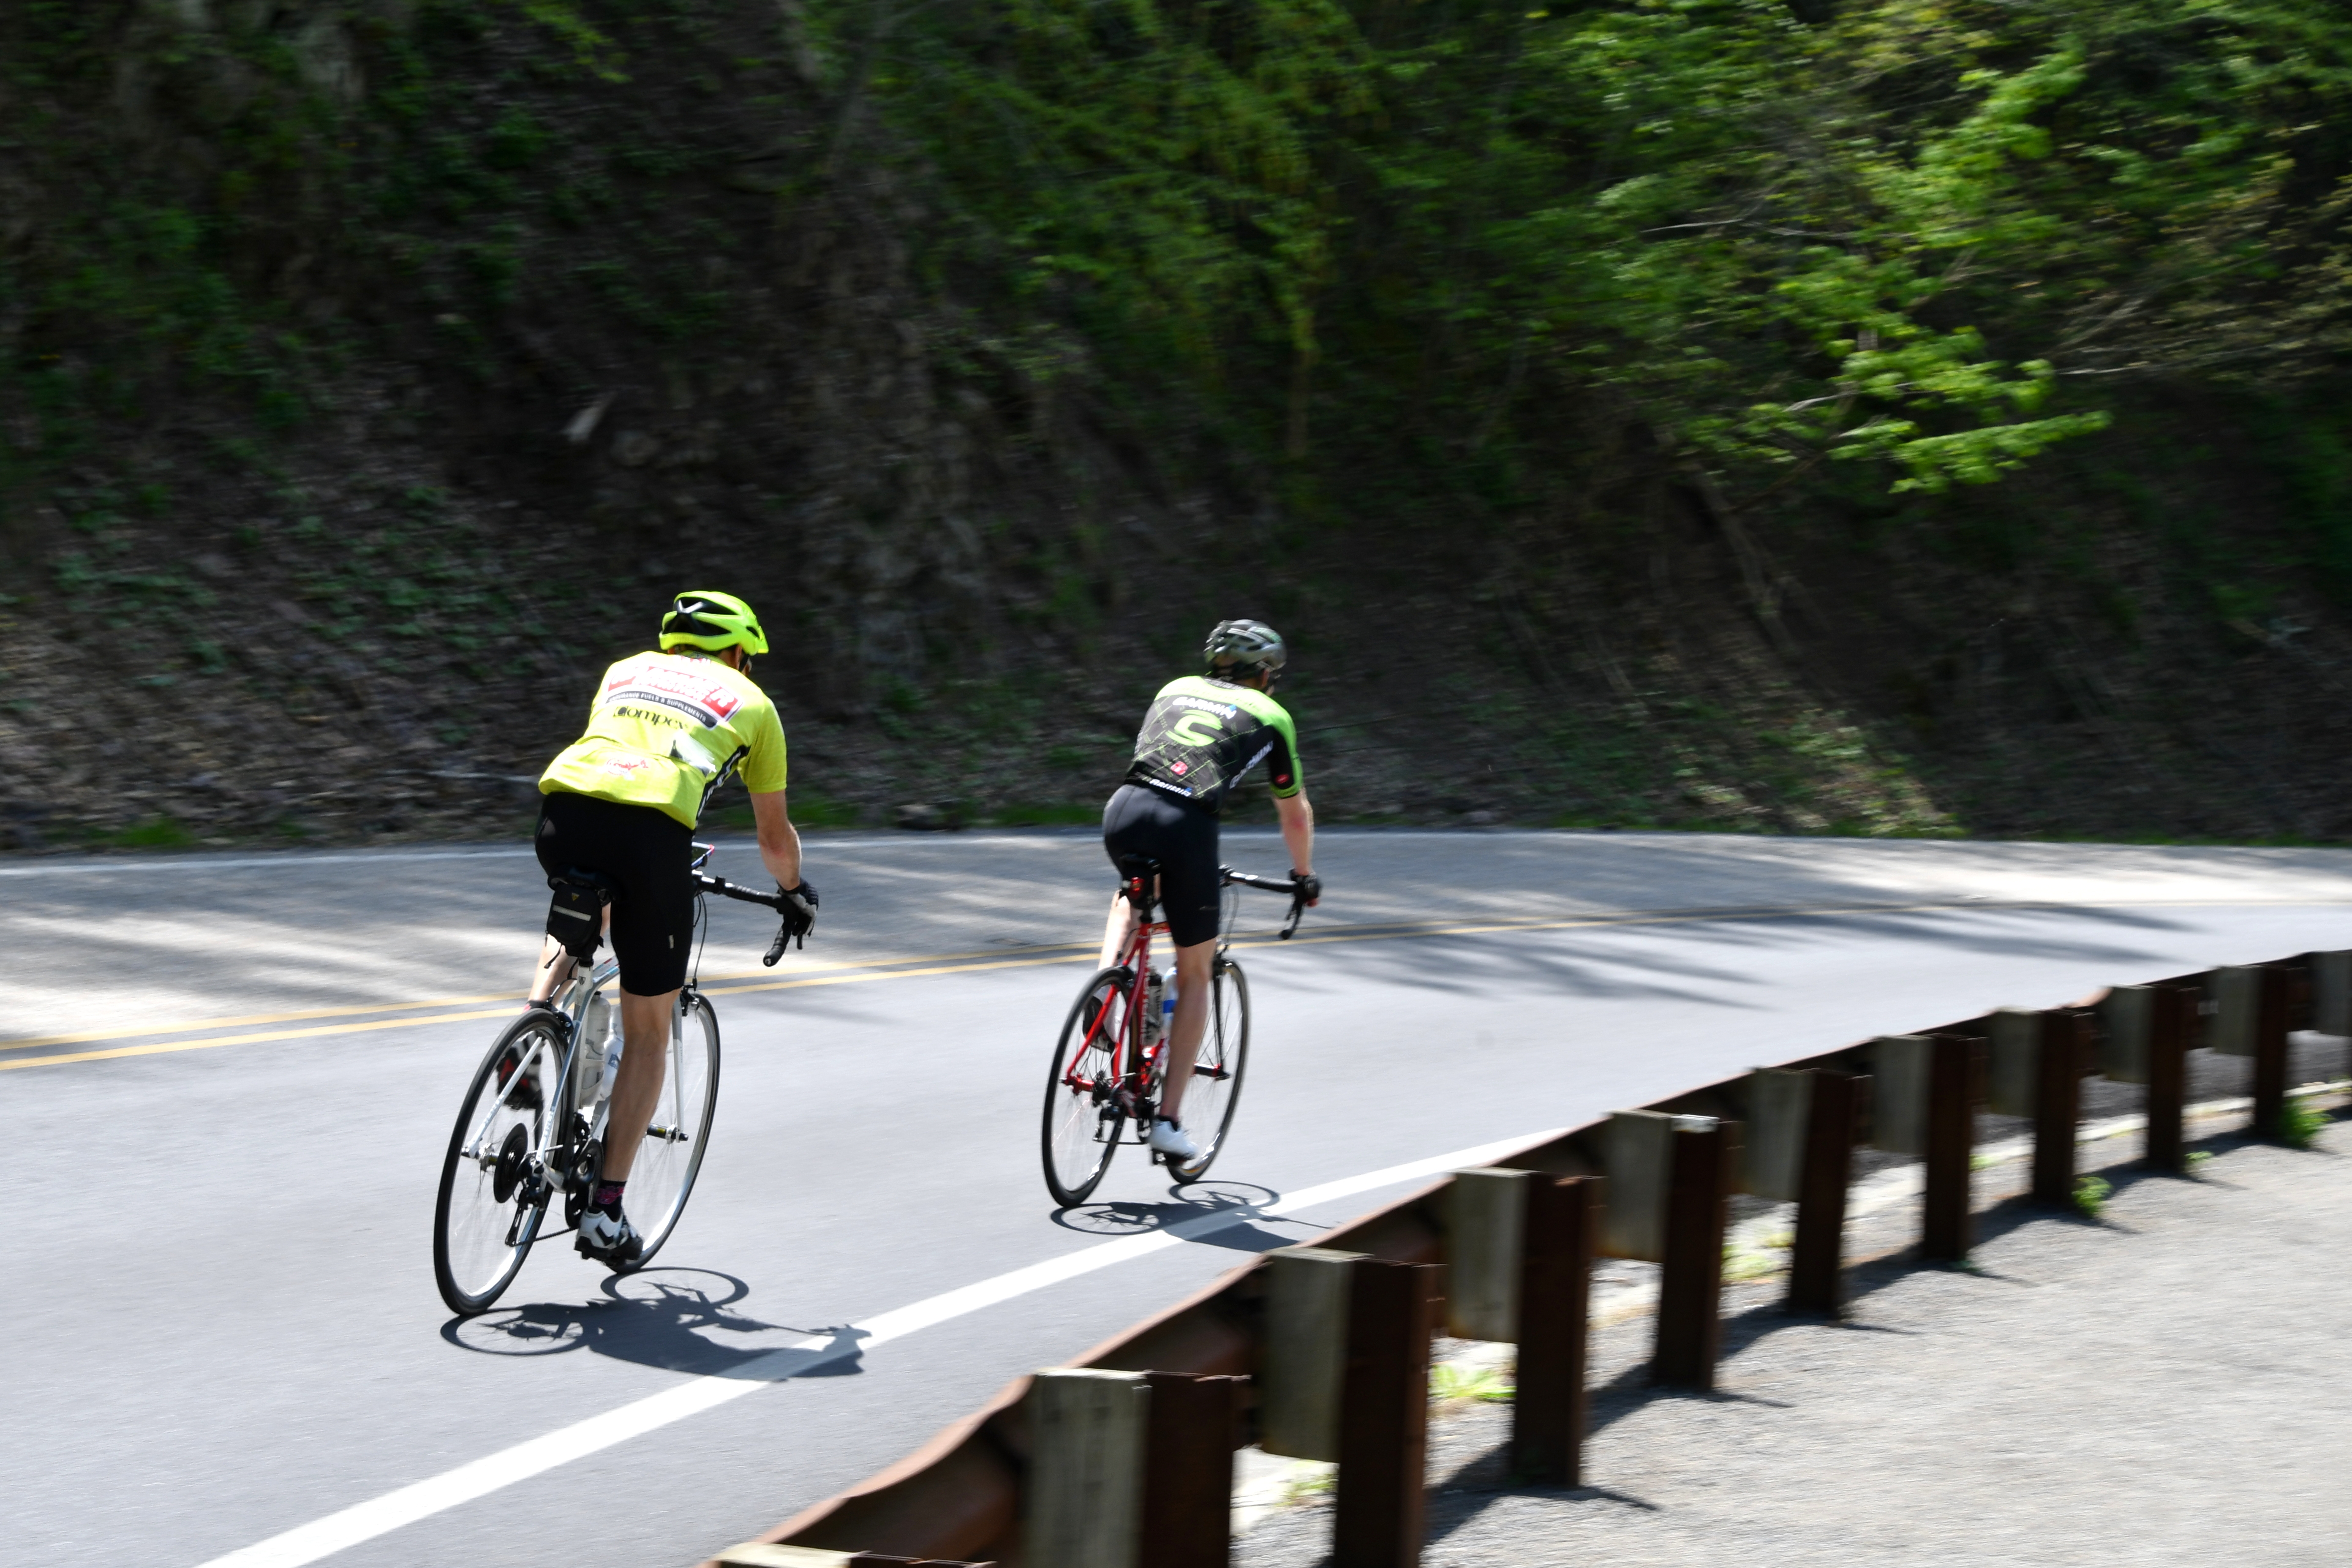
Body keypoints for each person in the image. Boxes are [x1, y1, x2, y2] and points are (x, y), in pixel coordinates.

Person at [526, 589, 816, 1265]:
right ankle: (604, 1213)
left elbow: (617, 771)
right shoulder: (756, 707)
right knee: (650, 1034)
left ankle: (534, 1021)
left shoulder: (624, 671)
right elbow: (774, 837)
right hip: (651, 835)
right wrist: (794, 892)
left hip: (562, 811)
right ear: (739, 653)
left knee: (584, 905)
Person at [1097, 618, 1320, 1163]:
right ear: (1264, 674)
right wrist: (1303, 875)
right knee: (1196, 972)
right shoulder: (1272, 716)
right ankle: (1168, 1121)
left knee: (1133, 893)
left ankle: (1105, 991)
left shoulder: (1173, 688)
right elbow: (1293, 813)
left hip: (1123, 809)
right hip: (1185, 826)